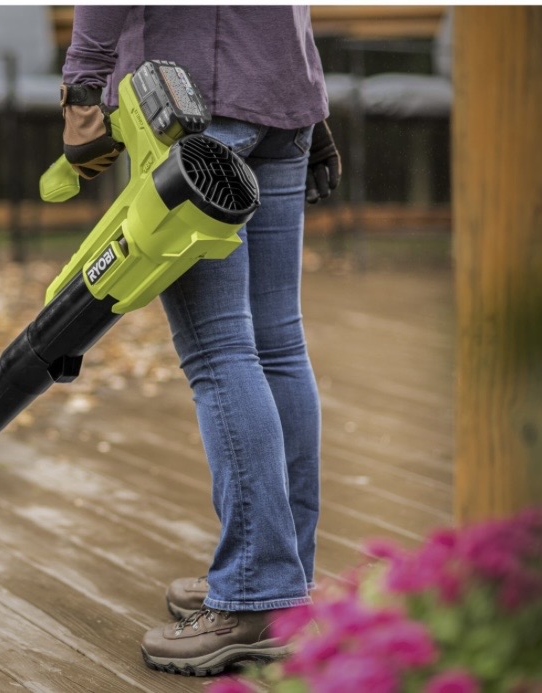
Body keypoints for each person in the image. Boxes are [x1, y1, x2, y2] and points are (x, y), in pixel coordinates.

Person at [59, 6, 340, 676]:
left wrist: (80, 90)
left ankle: (254, 592)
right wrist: (313, 105)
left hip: (191, 106)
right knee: (278, 345)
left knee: (222, 352)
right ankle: (285, 577)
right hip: (282, 99)